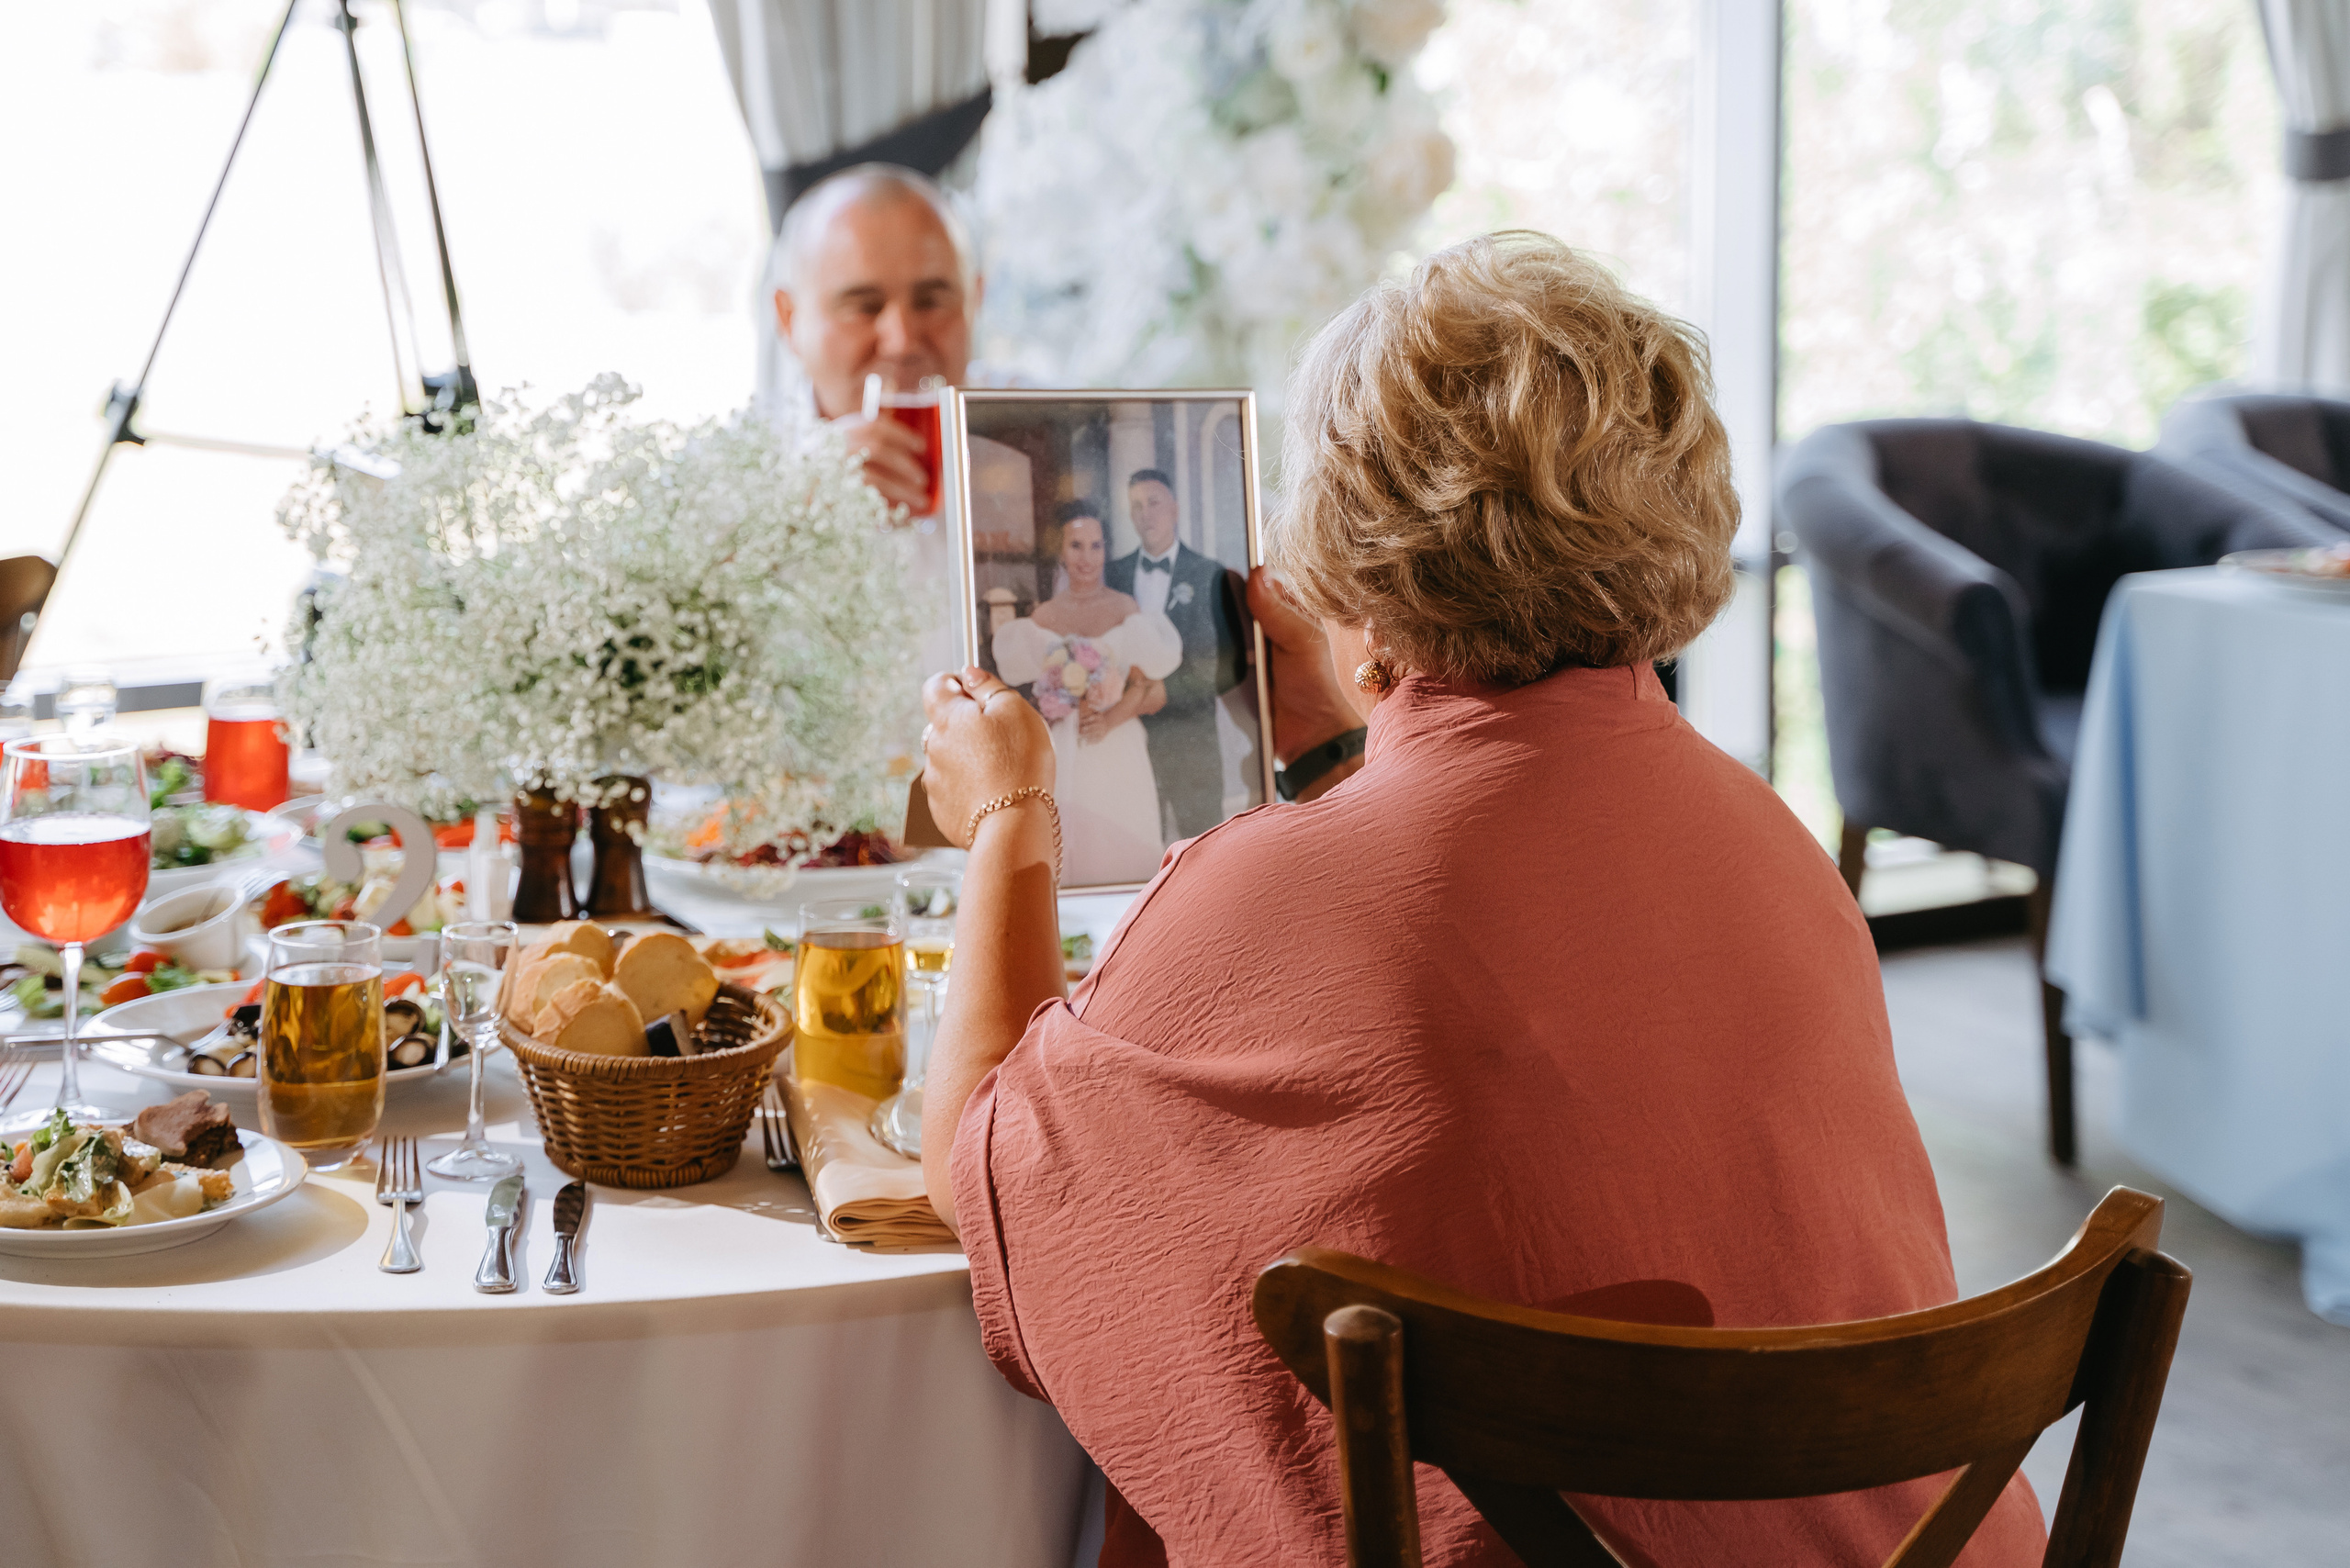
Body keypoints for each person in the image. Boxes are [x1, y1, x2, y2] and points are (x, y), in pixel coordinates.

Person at [912, 232, 2046, 1567]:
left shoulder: (1271, 889)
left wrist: (1007, 817)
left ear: (1359, 572)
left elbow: (980, 1159)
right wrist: (1355, 730)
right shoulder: (1770, 837)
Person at [991, 507, 1182, 887]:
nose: (1086, 557)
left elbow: (1145, 686)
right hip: (1064, 746)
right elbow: (1029, 696)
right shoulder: (1042, 617)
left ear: (1105, 551)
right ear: (1061, 552)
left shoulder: (1124, 608)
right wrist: (1055, 704)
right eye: (1076, 546)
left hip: (1117, 744)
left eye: (1095, 546)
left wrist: (1108, 720)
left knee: (1124, 846)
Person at [1102, 469, 1247, 838]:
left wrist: (1168, 690)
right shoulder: (1112, 575)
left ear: (1175, 508)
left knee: (1202, 853)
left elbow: (1229, 666)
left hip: (1191, 744)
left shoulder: (1208, 573)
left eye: (1154, 502)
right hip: (1127, 741)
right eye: (1136, 506)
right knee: (1132, 842)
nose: (1145, 514)